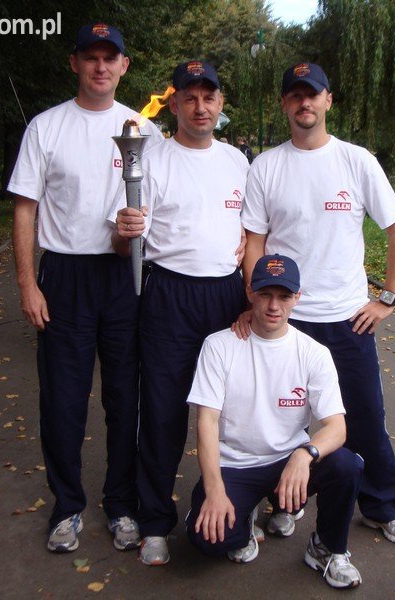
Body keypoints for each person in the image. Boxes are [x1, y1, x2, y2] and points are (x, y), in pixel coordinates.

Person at [239, 62, 395, 545]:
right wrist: (255, 300)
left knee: (364, 417)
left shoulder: (356, 161)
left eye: (312, 94)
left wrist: (387, 299)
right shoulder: (266, 166)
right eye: (295, 95)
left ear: (327, 100)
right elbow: (254, 241)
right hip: (286, 320)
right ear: (285, 104)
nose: (305, 103)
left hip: (347, 320)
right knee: (281, 420)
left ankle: (380, 505)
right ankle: (285, 501)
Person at [8, 22, 164, 554]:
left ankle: (121, 504)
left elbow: (166, 201)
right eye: (90, 57)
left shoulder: (143, 128)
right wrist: (28, 284)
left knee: (125, 397)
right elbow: (24, 208)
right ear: (74, 63)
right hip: (66, 276)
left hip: (125, 277)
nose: (100, 66)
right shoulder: (46, 127)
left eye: (109, 58)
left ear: (123, 66)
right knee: (63, 399)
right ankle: (67, 506)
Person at [111, 60, 248, 566]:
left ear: (220, 103)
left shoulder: (238, 162)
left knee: (232, 412)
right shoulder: (151, 160)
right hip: (168, 296)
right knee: (164, 412)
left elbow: (255, 228)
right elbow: (123, 242)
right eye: (190, 97)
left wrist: (248, 259)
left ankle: (235, 512)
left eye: (209, 97)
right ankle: (154, 522)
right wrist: (123, 231)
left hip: (226, 297)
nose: (200, 107)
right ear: (174, 105)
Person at [186, 255, 364, 589]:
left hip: (288, 465)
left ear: (297, 298)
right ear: (250, 293)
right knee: (208, 540)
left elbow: (337, 427)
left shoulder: (313, 353)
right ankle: (243, 521)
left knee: (346, 465)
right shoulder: (218, 346)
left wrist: (304, 454)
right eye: (265, 294)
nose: (273, 306)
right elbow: (206, 423)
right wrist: (214, 490)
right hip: (236, 465)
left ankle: (326, 548)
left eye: (284, 296)